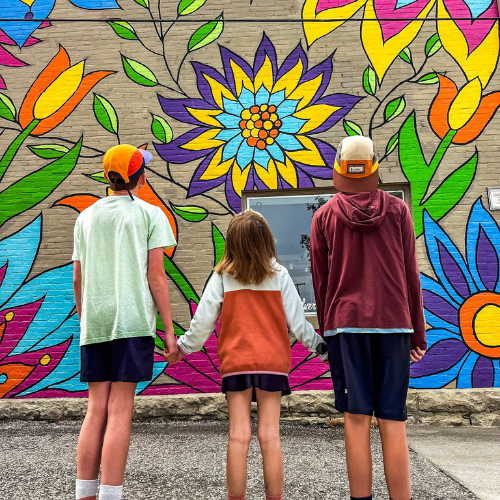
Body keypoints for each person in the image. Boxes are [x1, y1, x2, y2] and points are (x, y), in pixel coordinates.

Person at [170, 210, 328, 500]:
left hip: (236, 362)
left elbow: (203, 321)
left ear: (232, 242)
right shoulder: (279, 274)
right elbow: (298, 322)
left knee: (238, 436)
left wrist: (183, 347)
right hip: (272, 362)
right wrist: (322, 350)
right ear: (267, 241)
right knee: (270, 436)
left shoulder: (221, 276)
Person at [309, 136, 427, 500]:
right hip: (394, 323)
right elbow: (411, 272)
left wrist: (328, 333)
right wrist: (417, 333)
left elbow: (321, 282)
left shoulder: (324, 216)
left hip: (346, 327)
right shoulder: (397, 211)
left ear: (339, 169)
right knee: (393, 420)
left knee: (356, 420)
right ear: (374, 167)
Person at [72, 144, 179, 500]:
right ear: (141, 178)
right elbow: (157, 277)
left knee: (95, 408)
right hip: (132, 322)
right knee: (120, 410)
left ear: (108, 177)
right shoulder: (150, 214)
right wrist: (168, 330)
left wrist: (87, 320)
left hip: (96, 323)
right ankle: (111, 495)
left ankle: (84, 493)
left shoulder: (85, 217)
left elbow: (78, 278)